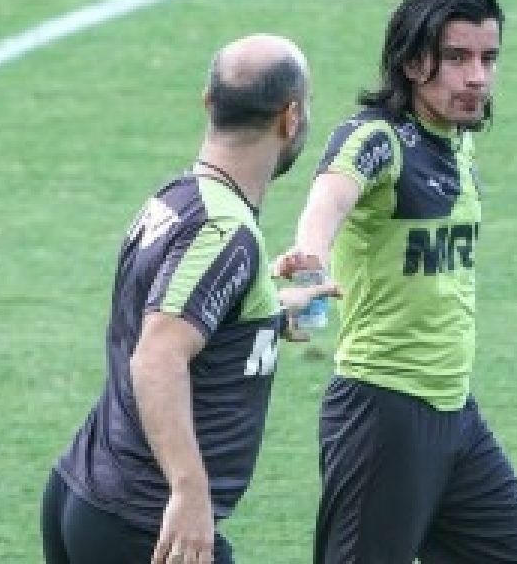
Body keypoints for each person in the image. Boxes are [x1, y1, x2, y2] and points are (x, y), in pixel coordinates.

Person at [275, 0, 517, 563]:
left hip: (453, 409)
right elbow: (329, 198)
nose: (477, 77)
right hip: (382, 412)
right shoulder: (376, 138)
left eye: (488, 58)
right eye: (457, 58)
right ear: (412, 62)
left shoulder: (455, 141)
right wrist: (309, 257)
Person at [41, 34, 339, 564]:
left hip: (85, 495)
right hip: (147, 522)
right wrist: (189, 491)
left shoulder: (174, 200)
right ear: (291, 118)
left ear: (209, 101)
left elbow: (171, 317)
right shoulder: (224, 232)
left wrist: (268, 312)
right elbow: (158, 356)